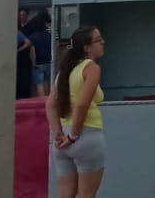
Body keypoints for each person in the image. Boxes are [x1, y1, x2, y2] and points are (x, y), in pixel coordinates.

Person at [47, 26, 107, 198]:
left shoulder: (64, 72)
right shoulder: (91, 68)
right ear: (86, 47)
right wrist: (73, 135)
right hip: (85, 136)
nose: (102, 42)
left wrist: (58, 132)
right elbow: (82, 104)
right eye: (98, 39)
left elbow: (51, 105)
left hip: (61, 142)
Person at [29, 11, 53, 98]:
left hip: (38, 63)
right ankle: (47, 99)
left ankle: (41, 100)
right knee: (46, 82)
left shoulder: (32, 37)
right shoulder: (49, 36)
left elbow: (32, 52)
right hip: (48, 62)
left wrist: (33, 63)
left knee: (39, 84)